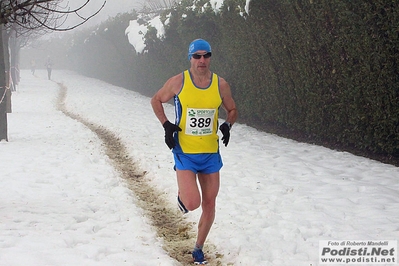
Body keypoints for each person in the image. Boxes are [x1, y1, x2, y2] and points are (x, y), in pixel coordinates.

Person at [151, 39, 237, 265]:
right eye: (196, 56)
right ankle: (183, 195)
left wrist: (228, 124)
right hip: (185, 152)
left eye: (206, 55)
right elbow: (156, 100)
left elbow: (233, 109)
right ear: (190, 58)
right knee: (192, 203)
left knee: (210, 204)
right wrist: (166, 124)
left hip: (210, 154)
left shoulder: (221, 85)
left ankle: (198, 248)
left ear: (210, 57)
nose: (202, 60)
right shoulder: (178, 81)